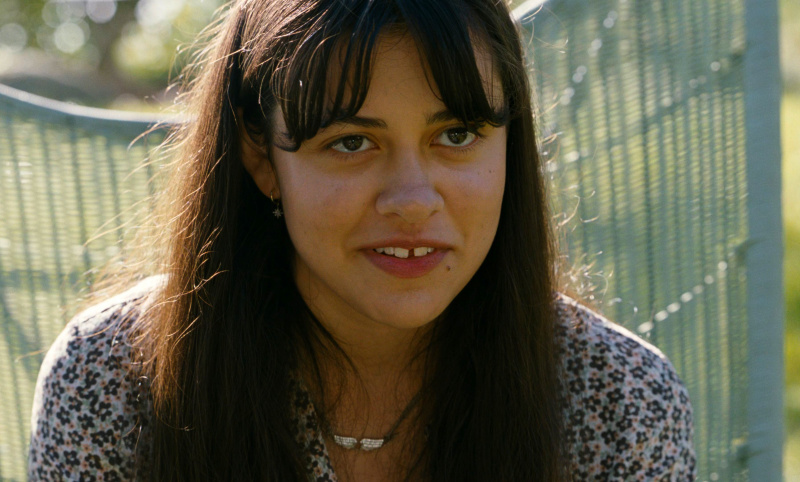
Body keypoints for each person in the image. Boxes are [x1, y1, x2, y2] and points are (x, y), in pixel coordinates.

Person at [27, 0, 696, 480]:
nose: (412, 199)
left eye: (456, 135)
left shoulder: (622, 400)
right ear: (261, 157)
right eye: (351, 142)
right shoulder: (110, 380)